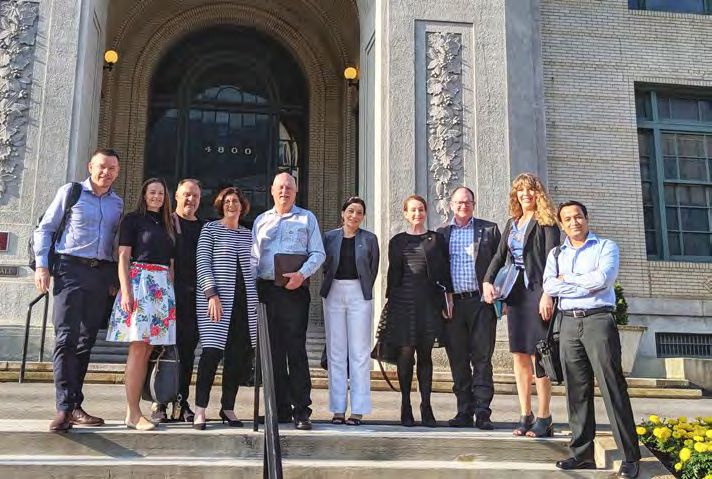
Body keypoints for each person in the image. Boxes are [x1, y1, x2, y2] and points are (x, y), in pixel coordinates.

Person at [544, 201, 640, 478]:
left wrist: (568, 280)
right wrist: (581, 281)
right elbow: (549, 285)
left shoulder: (606, 247)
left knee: (612, 386)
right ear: (561, 225)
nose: (574, 222)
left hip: (598, 320)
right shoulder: (556, 253)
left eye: (578, 217)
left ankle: (630, 457)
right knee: (576, 390)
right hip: (568, 324)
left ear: (586, 218)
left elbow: (603, 280)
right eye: (567, 219)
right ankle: (582, 453)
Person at [33, 148, 123, 432]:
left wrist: (115, 279)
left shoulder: (117, 203)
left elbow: (116, 244)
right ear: (90, 167)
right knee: (65, 338)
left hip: (100, 274)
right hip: (69, 269)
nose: (106, 172)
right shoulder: (71, 193)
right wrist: (42, 266)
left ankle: (75, 405)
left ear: (118, 173)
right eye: (102, 166)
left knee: (85, 341)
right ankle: (63, 408)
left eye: (112, 168)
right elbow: (45, 229)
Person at [482, 173, 560, 438]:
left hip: (537, 293)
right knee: (519, 354)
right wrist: (487, 281)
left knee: (539, 355)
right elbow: (499, 255)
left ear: (539, 193)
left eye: (530, 189)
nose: (525, 194)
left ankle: (544, 416)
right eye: (520, 190)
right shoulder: (512, 222)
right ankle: (525, 413)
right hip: (515, 294)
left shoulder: (547, 222)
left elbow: (553, 261)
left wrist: (548, 294)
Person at [251, 172, 325, 430]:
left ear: (296, 191)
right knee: (271, 352)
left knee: (295, 350)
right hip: (266, 291)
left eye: (289, 187)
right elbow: (253, 258)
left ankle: (301, 410)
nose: (284, 191)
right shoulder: (261, 220)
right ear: (272, 190)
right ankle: (278, 409)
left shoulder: (307, 218)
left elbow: (318, 253)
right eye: (280, 187)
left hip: (294, 292)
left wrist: (302, 274)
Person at [107, 177, 176, 431]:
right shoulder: (133, 219)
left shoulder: (168, 222)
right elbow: (123, 256)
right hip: (140, 284)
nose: (157, 196)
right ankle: (133, 412)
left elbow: (170, 261)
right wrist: (126, 291)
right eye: (152, 192)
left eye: (161, 193)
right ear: (144, 195)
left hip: (162, 287)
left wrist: (169, 293)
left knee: (148, 350)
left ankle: (135, 411)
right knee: (138, 349)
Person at [378, 195, 452, 427]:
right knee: (406, 354)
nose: (417, 214)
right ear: (405, 214)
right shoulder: (397, 241)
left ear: (426, 212)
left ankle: (426, 406)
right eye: (413, 210)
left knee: (425, 355)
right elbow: (393, 274)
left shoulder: (436, 239)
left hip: (428, 304)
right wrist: (390, 305)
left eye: (421, 209)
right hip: (402, 303)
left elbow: (444, 272)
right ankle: (406, 404)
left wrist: (448, 301)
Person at [193, 187, 258, 430]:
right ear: (221, 205)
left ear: (242, 206)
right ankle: (200, 409)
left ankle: (227, 407)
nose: (232, 205)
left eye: (236, 201)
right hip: (216, 303)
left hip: (243, 306)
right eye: (228, 201)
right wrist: (211, 294)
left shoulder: (248, 234)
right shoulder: (210, 229)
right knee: (210, 354)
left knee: (236, 359)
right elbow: (203, 263)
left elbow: (255, 266)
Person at [436, 187, 501, 429]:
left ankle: (483, 412)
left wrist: (499, 295)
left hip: (481, 303)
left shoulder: (489, 230)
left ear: (474, 204)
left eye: (468, 202)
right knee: (458, 358)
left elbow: (500, 264)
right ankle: (464, 410)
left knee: (482, 358)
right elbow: (438, 270)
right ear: (451, 205)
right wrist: (442, 299)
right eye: (459, 202)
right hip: (453, 305)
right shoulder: (442, 233)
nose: (463, 206)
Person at [321, 196, 380, 426]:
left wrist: (362, 287)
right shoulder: (329, 237)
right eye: (351, 211)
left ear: (363, 217)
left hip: (359, 293)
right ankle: (337, 409)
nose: (354, 216)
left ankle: (358, 409)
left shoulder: (369, 239)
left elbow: (373, 268)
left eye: (359, 212)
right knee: (336, 352)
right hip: (334, 292)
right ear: (343, 213)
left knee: (359, 352)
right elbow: (324, 264)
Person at [151, 179, 205, 423]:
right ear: (176, 196)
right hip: (166, 296)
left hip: (193, 299)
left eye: (195, 196)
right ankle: (160, 401)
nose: (190, 199)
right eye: (186, 195)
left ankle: (182, 402)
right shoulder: (165, 223)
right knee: (162, 349)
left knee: (187, 352)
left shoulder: (205, 228)